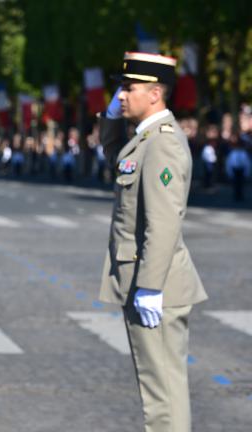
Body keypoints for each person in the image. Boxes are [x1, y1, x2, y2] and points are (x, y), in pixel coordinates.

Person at [98, 52, 207, 432]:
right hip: (147, 280)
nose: (121, 95)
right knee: (159, 389)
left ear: (156, 93)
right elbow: (113, 158)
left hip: (155, 285)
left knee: (162, 395)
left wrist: (149, 286)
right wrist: (111, 117)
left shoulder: (162, 143)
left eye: (128, 88)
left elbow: (162, 223)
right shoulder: (144, 140)